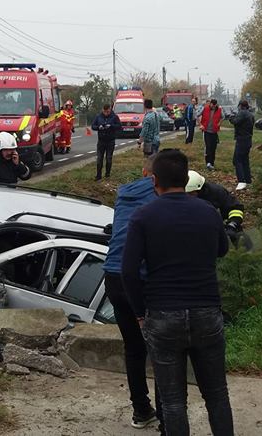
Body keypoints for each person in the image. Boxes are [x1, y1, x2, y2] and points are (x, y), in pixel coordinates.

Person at [122, 149, 234, 436]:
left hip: (163, 314)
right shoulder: (208, 212)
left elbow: (129, 271)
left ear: (154, 180)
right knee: (217, 394)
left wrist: (139, 313)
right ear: (186, 179)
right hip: (207, 312)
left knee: (173, 402)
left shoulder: (143, 217)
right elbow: (222, 248)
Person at [102, 154, 160, 429]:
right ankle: (167, 413)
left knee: (134, 349)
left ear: (144, 172)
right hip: (143, 279)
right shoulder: (162, 196)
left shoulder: (123, 194)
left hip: (113, 276)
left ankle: (141, 410)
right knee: (162, 349)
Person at [185, 170, 246, 246]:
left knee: (240, 241)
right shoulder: (177, 198)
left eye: (190, 193)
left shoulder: (216, 192)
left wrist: (232, 224)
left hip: (219, 227)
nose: (187, 196)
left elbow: (235, 208)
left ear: (199, 189)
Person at [91, 104, 122, 180]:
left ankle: (107, 174)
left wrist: (111, 126)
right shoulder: (98, 116)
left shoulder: (114, 116)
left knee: (108, 158)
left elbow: (119, 126)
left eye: (107, 112)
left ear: (110, 109)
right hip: (101, 141)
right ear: (102, 110)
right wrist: (99, 127)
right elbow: (93, 126)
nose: (106, 113)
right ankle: (98, 175)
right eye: (104, 112)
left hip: (110, 141)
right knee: (99, 159)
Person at [231, 100, 254, 190]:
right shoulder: (250, 114)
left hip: (241, 139)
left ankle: (241, 181)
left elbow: (235, 122)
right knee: (245, 160)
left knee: (237, 160)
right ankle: (248, 180)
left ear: (240, 106)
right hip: (248, 139)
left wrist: (231, 116)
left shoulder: (242, 113)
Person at [200, 98, 223, 170]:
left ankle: (212, 163)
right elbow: (196, 115)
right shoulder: (205, 109)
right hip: (206, 131)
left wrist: (219, 123)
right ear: (210, 104)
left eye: (215, 106)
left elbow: (223, 117)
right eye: (212, 105)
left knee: (213, 147)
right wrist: (200, 124)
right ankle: (208, 163)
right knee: (208, 147)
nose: (213, 107)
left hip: (214, 131)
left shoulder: (219, 109)